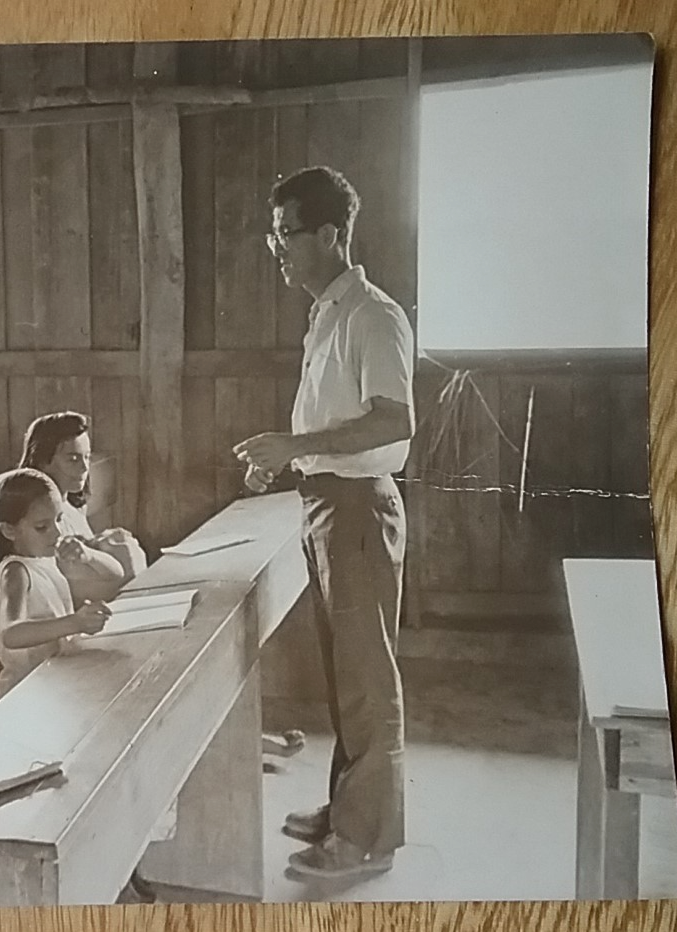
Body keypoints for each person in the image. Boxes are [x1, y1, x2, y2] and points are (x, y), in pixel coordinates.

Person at [234, 166, 414, 880]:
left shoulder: (372, 313)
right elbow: (332, 419)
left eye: (285, 234)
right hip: (324, 500)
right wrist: (285, 462)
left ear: (329, 235)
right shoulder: (327, 312)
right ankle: (348, 808)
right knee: (348, 674)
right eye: (272, 234)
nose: (275, 248)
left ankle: (366, 842)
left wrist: (296, 449)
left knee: (368, 680)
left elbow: (393, 420)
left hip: (358, 507)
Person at [0, 469, 112, 696]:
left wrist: (89, 556)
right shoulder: (15, 572)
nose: (56, 533)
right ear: (9, 530)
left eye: (59, 520)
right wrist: (75, 623)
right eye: (42, 527)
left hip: (57, 676)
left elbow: (115, 573)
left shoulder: (45, 558)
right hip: (27, 691)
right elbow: (11, 634)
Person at [17, 411, 146, 603]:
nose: (85, 468)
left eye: (86, 457)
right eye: (73, 459)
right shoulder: (38, 517)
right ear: (43, 461)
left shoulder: (71, 506)